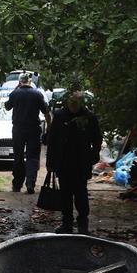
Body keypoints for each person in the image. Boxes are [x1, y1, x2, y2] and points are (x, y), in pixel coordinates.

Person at [47, 90, 103, 233]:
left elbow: (97, 138)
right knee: (65, 194)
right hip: (63, 162)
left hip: (81, 163)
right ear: (68, 102)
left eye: (76, 103)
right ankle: (67, 224)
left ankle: (83, 224)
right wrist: (51, 162)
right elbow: (52, 139)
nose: (73, 106)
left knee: (81, 194)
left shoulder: (88, 117)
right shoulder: (60, 116)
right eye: (71, 103)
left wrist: (93, 155)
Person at [5, 73, 51, 194]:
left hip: (18, 130)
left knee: (18, 156)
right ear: (29, 82)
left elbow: (7, 107)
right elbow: (46, 112)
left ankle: (17, 184)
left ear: (20, 82)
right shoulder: (37, 94)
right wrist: (50, 128)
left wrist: (15, 89)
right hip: (33, 130)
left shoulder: (15, 94)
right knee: (33, 157)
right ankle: (30, 183)